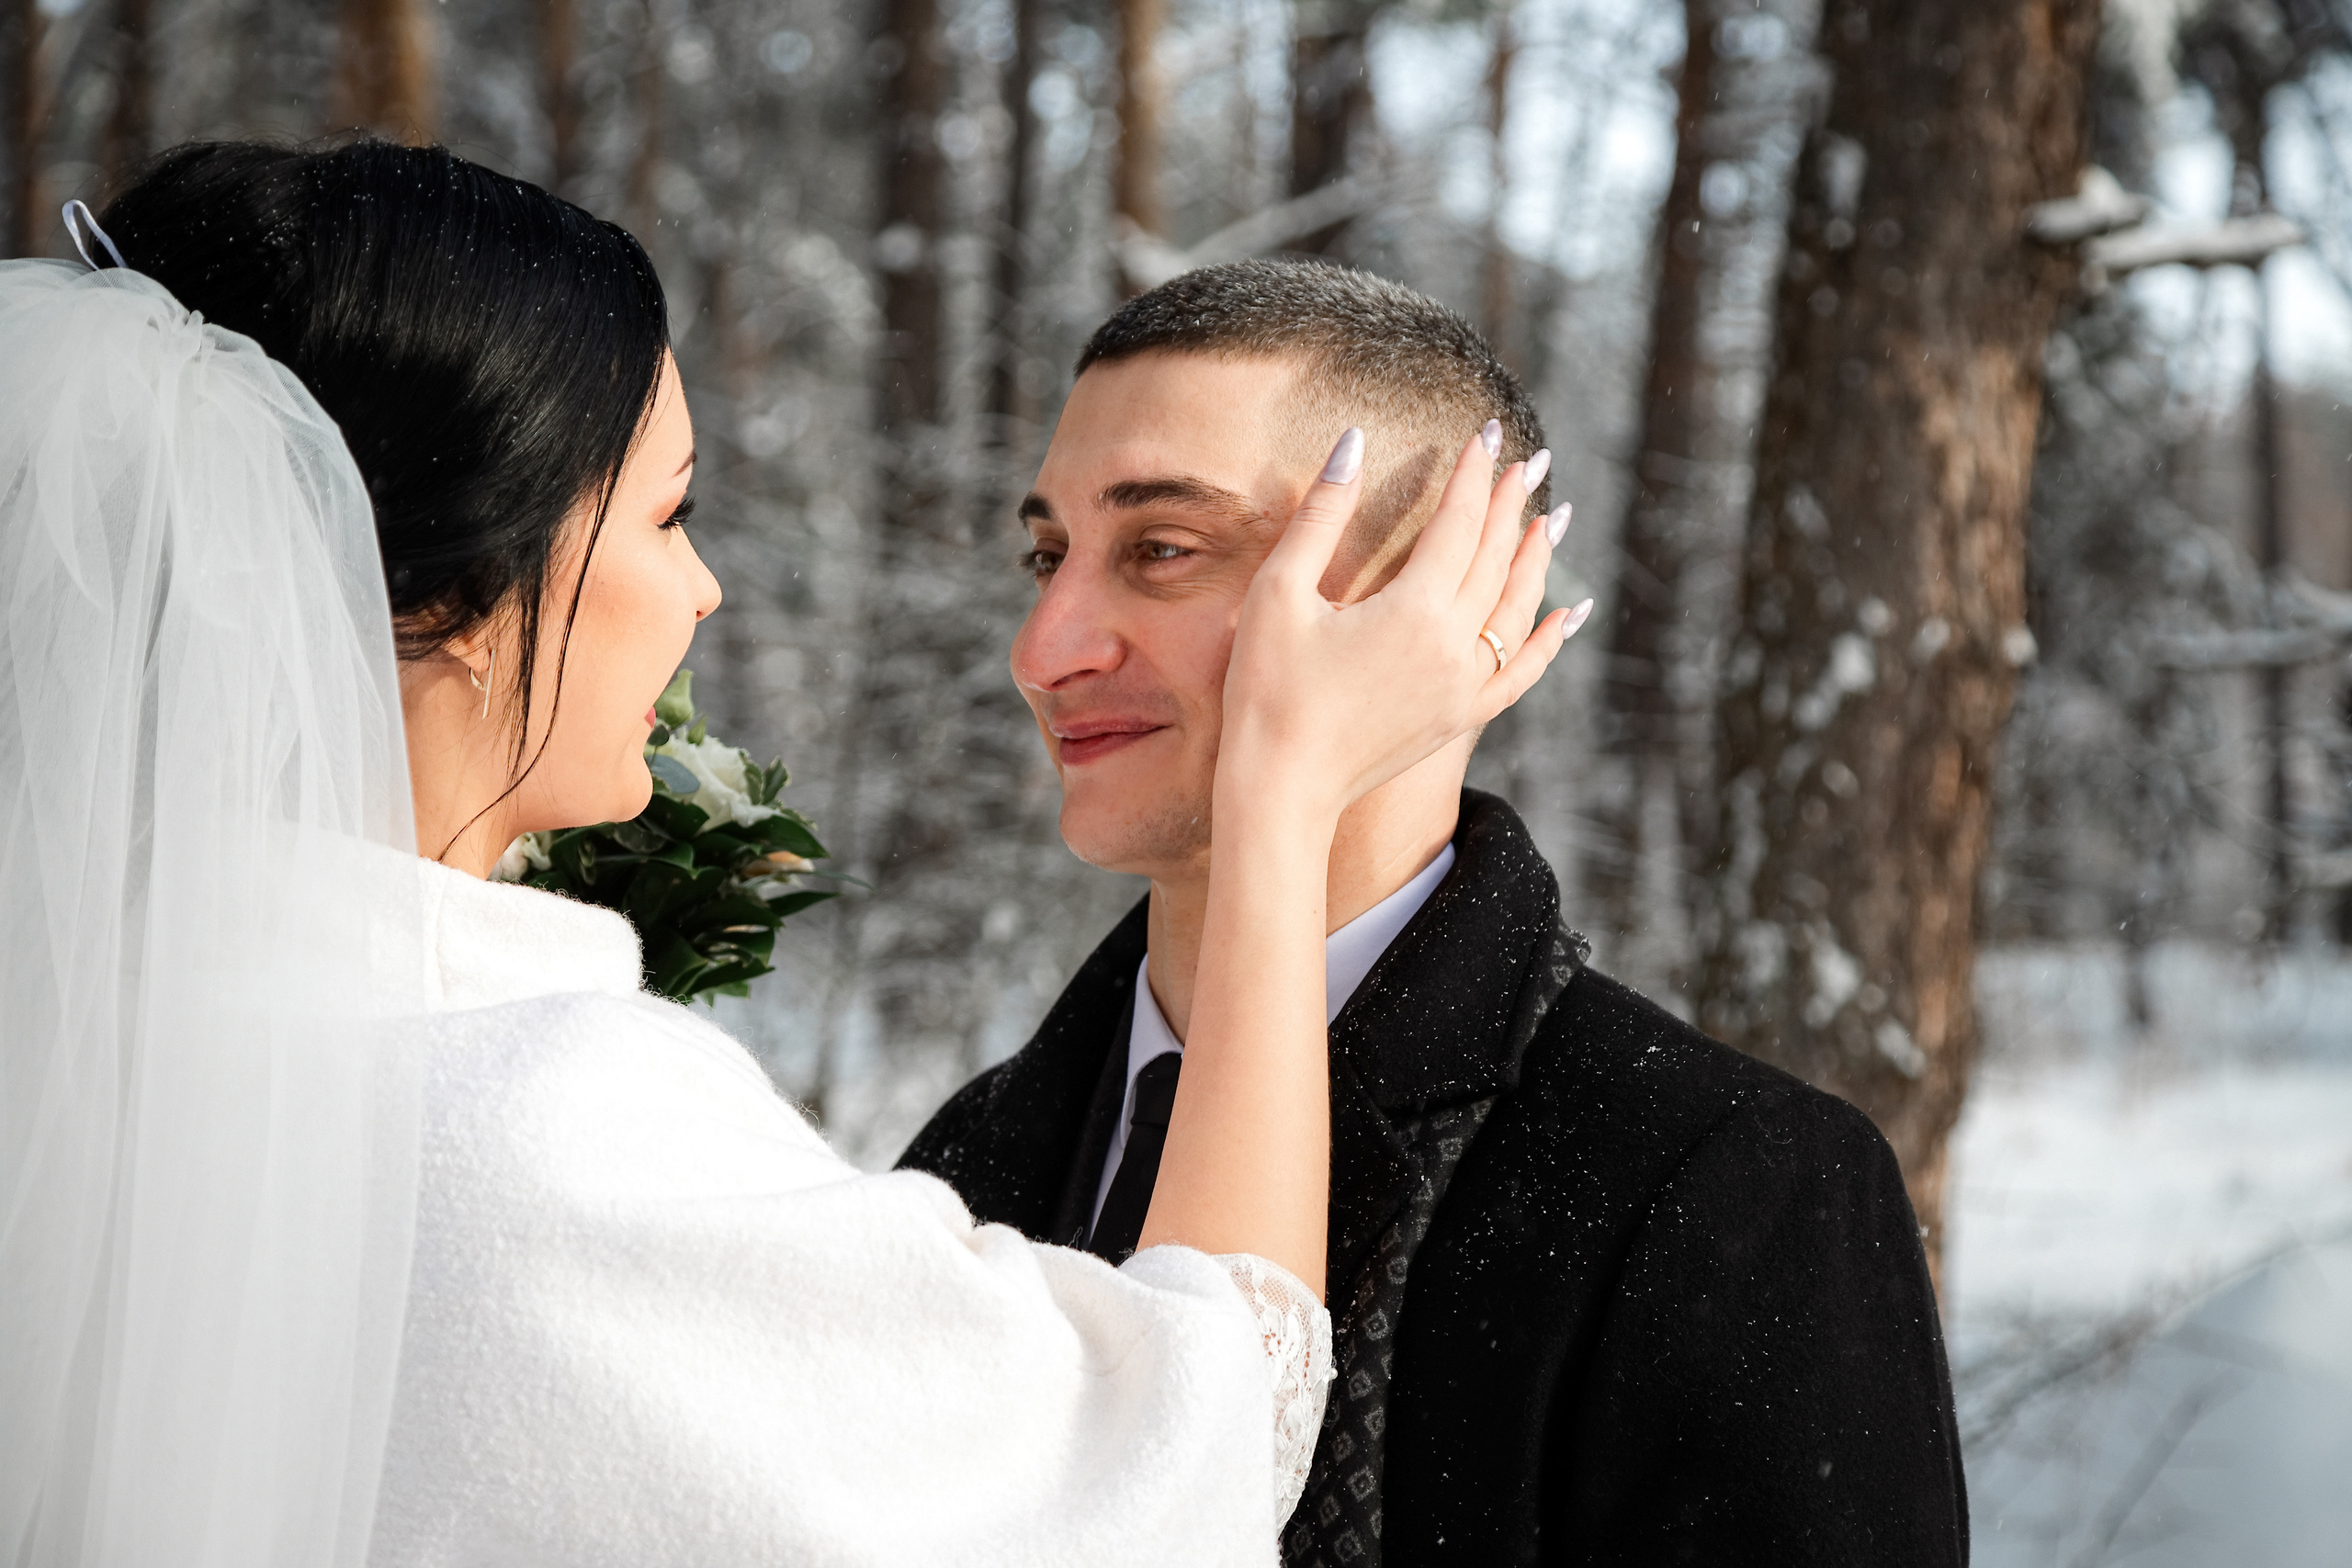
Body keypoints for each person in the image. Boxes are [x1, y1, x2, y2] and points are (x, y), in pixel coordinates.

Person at [0, 144, 1577, 1568]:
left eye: (1158, 550)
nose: (705, 594)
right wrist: (1281, 797)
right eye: (668, 514)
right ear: (461, 592)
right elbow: (1183, 1449)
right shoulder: (538, 1130)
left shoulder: (79, 1055)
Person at [901, 259, 1971, 1566]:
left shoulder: (1730, 1187)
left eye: (1162, 550)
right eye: (1047, 555)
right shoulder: (965, 1163)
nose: (1044, 644)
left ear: (1439, 593)